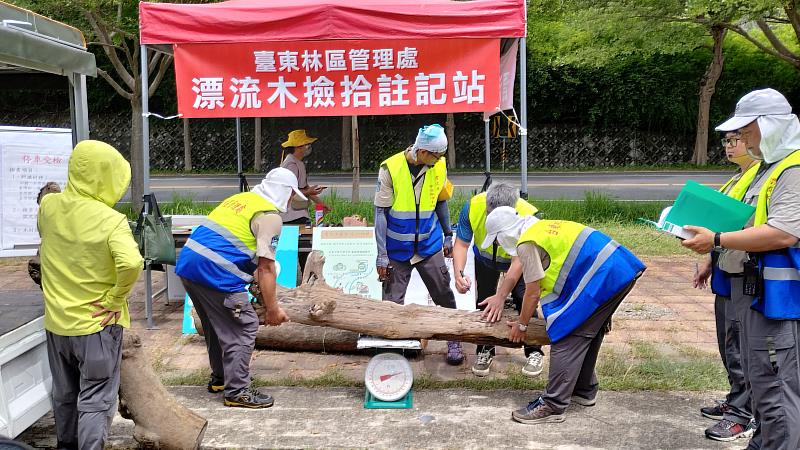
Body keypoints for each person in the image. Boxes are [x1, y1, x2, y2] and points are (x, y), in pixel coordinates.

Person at [682, 88, 800, 450]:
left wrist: (716, 239)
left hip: (778, 300)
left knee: (777, 388)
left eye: (746, 132)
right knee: (761, 380)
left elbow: (783, 232)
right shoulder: (768, 169)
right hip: (756, 294)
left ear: (770, 126)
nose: (743, 141)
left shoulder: (792, 170)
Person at [483, 206, 646, 424]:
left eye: (497, 241)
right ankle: (583, 390)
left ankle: (553, 404)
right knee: (588, 330)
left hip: (606, 275)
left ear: (504, 234)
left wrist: (521, 326)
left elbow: (532, 292)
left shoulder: (527, 243)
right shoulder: (540, 228)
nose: (499, 246)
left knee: (567, 331)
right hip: (619, 268)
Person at [38, 140, 143, 449]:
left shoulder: (49, 206)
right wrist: (113, 299)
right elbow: (131, 262)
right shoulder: (111, 220)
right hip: (97, 326)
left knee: (65, 395)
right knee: (96, 399)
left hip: (57, 324)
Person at [176, 167, 300, 408]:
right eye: (292, 195)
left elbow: (235, 245)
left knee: (214, 323)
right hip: (215, 272)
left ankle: (221, 378)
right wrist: (272, 308)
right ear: (286, 193)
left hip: (189, 264)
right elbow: (266, 268)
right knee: (245, 326)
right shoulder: (270, 216)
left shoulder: (241, 199)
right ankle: (238, 391)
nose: (292, 200)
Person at [374, 124, 464, 365]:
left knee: (443, 294)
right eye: (436, 156)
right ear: (423, 151)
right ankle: (394, 350)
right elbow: (380, 213)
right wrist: (382, 254)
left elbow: (441, 202)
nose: (439, 160)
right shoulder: (390, 168)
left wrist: (447, 234)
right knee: (392, 303)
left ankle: (453, 339)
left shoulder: (439, 166)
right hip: (397, 248)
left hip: (428, 243)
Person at [693, 132, 758, 441]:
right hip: (725, 268)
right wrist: (708, 259)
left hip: (745, 271)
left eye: (737, 139)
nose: (730, 146)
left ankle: (743, 415)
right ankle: (736, 399)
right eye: (727, 141)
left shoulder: (762, 177)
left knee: (741, 345)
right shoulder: (736, 179)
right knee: (727, 340)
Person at [452, 182, 546, 377]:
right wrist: (458, 274)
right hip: (485, 259)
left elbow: (519, 261)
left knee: (523, 298)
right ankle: (485, 348)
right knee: (485, 300)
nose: (489, 219)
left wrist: (502, 296)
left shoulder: (528, 215)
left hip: (519, 260)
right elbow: (461, 244)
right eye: (489, 213)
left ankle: (534, 350)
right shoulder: (472, 207)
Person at [279, 129, 330, 225]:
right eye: (306, 145)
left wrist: (321, 204)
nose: (308, 148)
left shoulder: (298, 163)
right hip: (290, 215)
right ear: (298, 147)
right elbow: (290, 191)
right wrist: (309, 191)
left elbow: (304, 188)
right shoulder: (291, 165)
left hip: (299, 213)